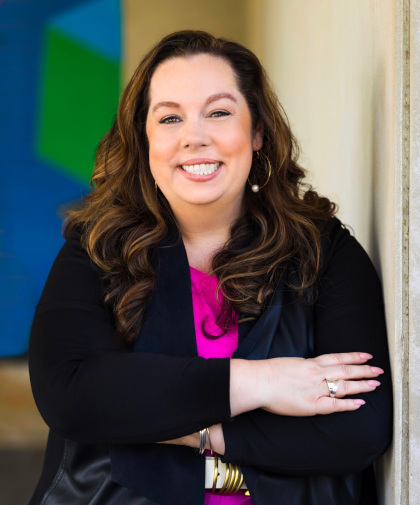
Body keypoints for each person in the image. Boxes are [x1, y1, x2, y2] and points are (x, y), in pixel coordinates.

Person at [28, 30, 392, 505]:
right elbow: (71, 394)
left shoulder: (322, 251)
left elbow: (359, 429)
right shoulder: (99, 247)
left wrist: (192, 428)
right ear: (145, 139)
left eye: (219, 112)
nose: (194, 137)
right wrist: (264, 383)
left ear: (257, 131)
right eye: (170, 118)